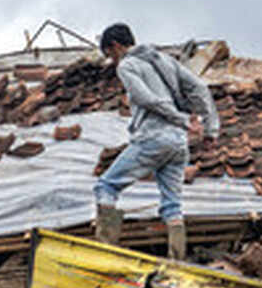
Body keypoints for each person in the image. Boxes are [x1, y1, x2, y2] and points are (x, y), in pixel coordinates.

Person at [94, 23, 219, 259]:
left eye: (110, 55)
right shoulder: (164, 60)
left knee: (106, 186)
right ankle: (177, 263)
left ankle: (104, 253)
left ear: (116, 46)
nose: (112, 62)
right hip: (179, 144)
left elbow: (146, 99)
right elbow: (200, 88)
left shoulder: (128, 65)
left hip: (154, 137)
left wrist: (182, 119)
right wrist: (211, 129)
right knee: (172, 205)